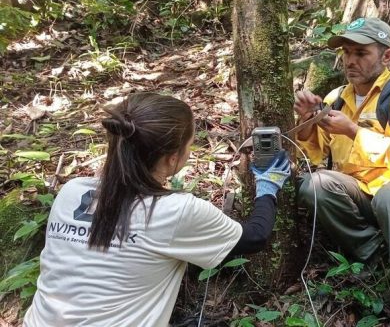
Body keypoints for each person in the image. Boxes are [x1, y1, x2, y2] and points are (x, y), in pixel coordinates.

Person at [23, 92, 291, 327]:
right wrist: (268, 187)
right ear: (173, 159)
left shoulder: (71, 191)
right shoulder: (175, 210)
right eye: (189, 146)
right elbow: (254, 237)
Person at [294, 17, 390, 327]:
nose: (350, 61)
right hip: (360, 192)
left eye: (361, 53)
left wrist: (353, 131)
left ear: (387, 56)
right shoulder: (336, 97)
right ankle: (373, 249)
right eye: (347, 53)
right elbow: (312, 154)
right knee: (314, 185)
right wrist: (309, 119)